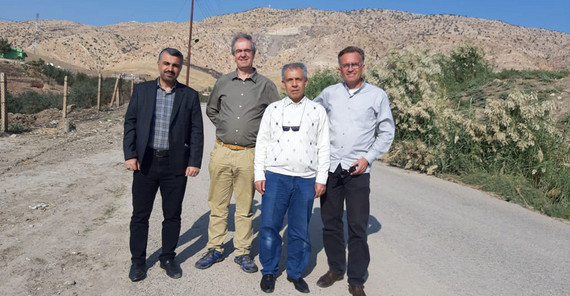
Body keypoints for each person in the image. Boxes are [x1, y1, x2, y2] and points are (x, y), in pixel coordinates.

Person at [313, 46, 395, 296]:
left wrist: (368, 158)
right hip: (331, 168)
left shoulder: (377, 96)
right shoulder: (328, 94)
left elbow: (387, 132)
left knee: (358, 226)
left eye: (354, 64)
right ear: (339, 69)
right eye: (345, 65)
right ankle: (336, 268)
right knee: (330, 223)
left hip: (357, 171)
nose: (350, 68)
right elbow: (312, 117)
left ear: (362, 67)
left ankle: (356, 278)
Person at [196, 33, 280, 273]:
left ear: (254, 53)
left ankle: (243, 252)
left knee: (245, 208)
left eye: (247, 50)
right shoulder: (223, 82)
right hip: (222, 152)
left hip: (249, 155)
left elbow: (275, 118)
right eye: (238, 51)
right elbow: (212, 110)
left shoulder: (266, 85)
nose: (243, 54)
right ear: (233, 55)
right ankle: (215, 248)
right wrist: (224, 127)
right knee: (218, 205)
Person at [123, 48, 204, 282]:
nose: (170, 68)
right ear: (159, 64)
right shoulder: (142, 91)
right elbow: (131, 123)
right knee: (140, 215)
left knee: (172, 215)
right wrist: (130, 154)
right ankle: (138, 261)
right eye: (166, 63)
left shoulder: (189, 96)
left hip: (175, 165)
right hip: (145, 163)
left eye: (175, 65)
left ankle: (168, 257)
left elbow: (196, 131)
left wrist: (194, 161)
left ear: (180, 68)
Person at [254, 63, 330, 293]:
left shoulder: (318, 111)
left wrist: (322, 178)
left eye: (299, 79)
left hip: (305, 179)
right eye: (290, 80)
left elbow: (324, 147)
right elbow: (262, 143)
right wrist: (259, 173)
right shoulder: (273, 109)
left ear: (306, 82)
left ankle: (295, 273)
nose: (294, 84)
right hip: (276, 177)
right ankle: (269, 270)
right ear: (283, 83)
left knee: (299, 230)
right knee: (269, 226)